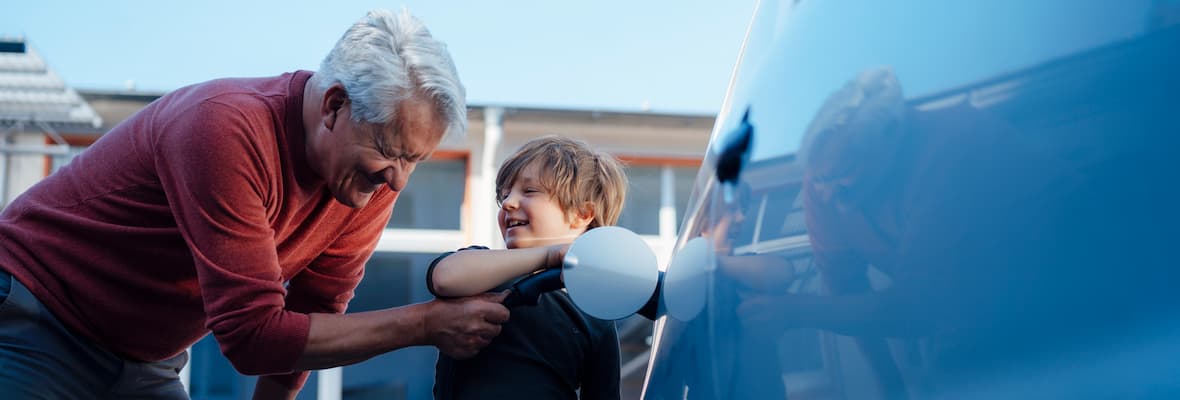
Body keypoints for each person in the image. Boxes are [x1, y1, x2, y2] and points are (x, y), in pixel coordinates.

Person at [0, 9, 509, 400]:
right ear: (334, 106)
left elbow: (312, 319)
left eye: (416, 160)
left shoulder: (365, 183)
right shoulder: (224, 129)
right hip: (36, 318)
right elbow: (252, 337)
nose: (398, 180)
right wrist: (424, 325)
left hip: (144, 359)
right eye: (392, 153)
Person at [427, 135, 626, 400]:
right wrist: (548, 256)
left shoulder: (595, 314)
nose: (508, 203)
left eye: (530, 191)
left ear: (582, 214)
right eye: (505, 194)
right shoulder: (483, 272)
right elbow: (445, 277)